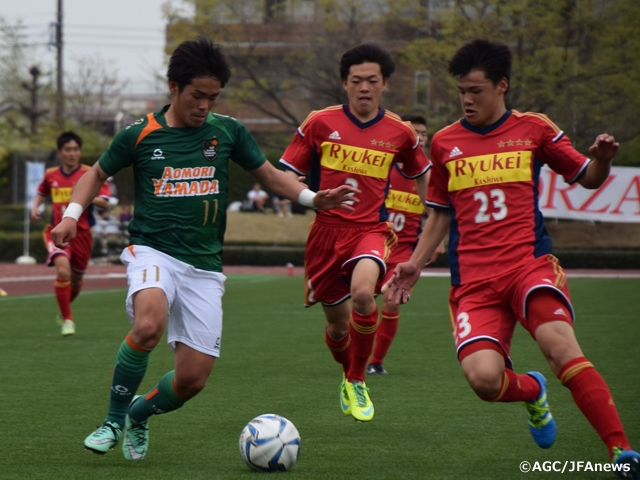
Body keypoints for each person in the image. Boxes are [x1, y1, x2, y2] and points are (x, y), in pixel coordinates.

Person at [50, 36, 357, 460]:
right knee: (149, 325)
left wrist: (311, 198)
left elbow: (270, 175)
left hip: (204, 266)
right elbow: (95, 173)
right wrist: (72, 214)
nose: (204, 106)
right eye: (197, 95)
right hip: (152, 250)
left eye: (212, 97)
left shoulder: (227, 131)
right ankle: (113, 420)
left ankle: (139, 412)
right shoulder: (139, 134)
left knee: (192, 380)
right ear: (174, 87)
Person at [384, 39, 639, 475]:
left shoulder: (534, 129)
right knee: (484, 380)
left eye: (476, 90)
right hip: (474, 283)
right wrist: (415, 264)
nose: (467, 99)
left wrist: (602, 161)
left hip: (528, 267)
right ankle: (533, 392)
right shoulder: (445, 143)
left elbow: (587, 177)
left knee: (559, 347)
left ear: (502, 86)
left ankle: (621, 452)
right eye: (462, 91)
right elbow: (440, 214)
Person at [279, 44, 431, 422]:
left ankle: (358, 379)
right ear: (344, 83)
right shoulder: (319, 122)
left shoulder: (400, 131)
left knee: (364, 294)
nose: (365, 87)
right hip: (325, 234)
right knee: (336, 328)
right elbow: (285, 175)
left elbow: (423, 174)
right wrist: (311, 196)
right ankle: (347, 374)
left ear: (385, 84)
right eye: (357, 80)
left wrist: (435, 218)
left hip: (370, 230)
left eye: (372, 81)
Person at [367, 114, 444, 375]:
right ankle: (354, 355)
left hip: (404, 252)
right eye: (414, 132)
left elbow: (437, 212)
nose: (420, 137)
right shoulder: (383, 165)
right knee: (361, 302)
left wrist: (438, 241)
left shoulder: (429, 174)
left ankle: (376, 362)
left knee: (391, 301)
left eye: (424, 133)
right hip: (374, 245)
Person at [30, 131, 111, 336]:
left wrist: (84, 195)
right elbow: (41, 192)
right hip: (56, 231)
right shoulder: (51, 175)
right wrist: (35, 207)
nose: (72, 153)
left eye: (76, 149)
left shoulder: (90, 173)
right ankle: (68, 319)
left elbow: (105, 202)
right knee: (63, 271)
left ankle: (64, 309)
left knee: (75, 281)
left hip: (82, 235)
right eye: (68, 149)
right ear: (59, 153)